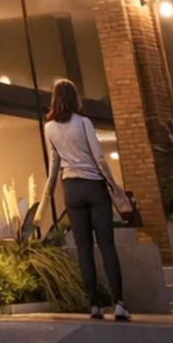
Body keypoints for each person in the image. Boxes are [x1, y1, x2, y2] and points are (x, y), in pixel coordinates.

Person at [43, 78, 131, 322]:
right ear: (75, 98)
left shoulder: (49, 128)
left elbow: (54, 163)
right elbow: (99, 158)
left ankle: (94, 306)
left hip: (71, 188)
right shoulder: (84, 123)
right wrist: (113, 185)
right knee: (106, 245)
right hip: (94, 186)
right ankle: (119, 304)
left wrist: (48, 192)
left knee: (84, 249)